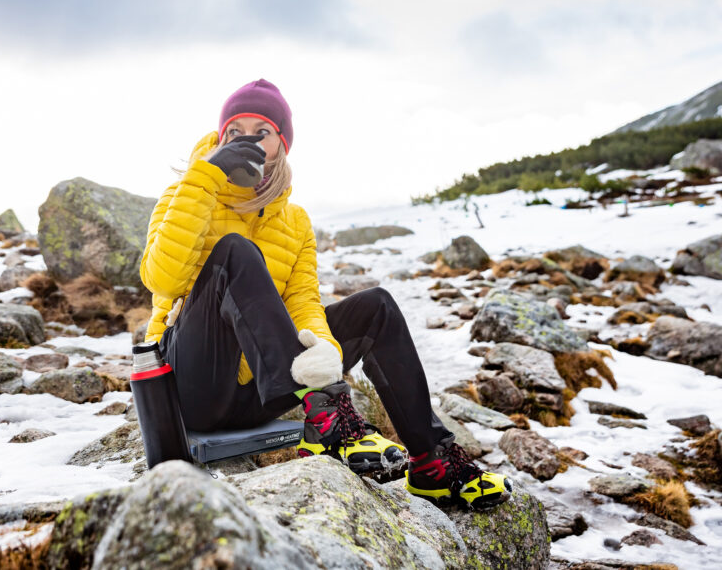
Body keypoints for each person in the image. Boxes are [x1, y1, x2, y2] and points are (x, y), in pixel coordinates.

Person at [139, 78, 510, 509]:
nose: (246, 140)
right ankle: (334, 421)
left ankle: (432, 462)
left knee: (377, 307)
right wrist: (204, 176)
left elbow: (303, 303)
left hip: (260, 391)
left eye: (260, 132)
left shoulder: (295, 221)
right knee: (235, 252)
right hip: (190, 388)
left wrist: (323, 349)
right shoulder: (188, 191)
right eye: (233, 132)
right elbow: (160, 280)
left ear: (281, 144)